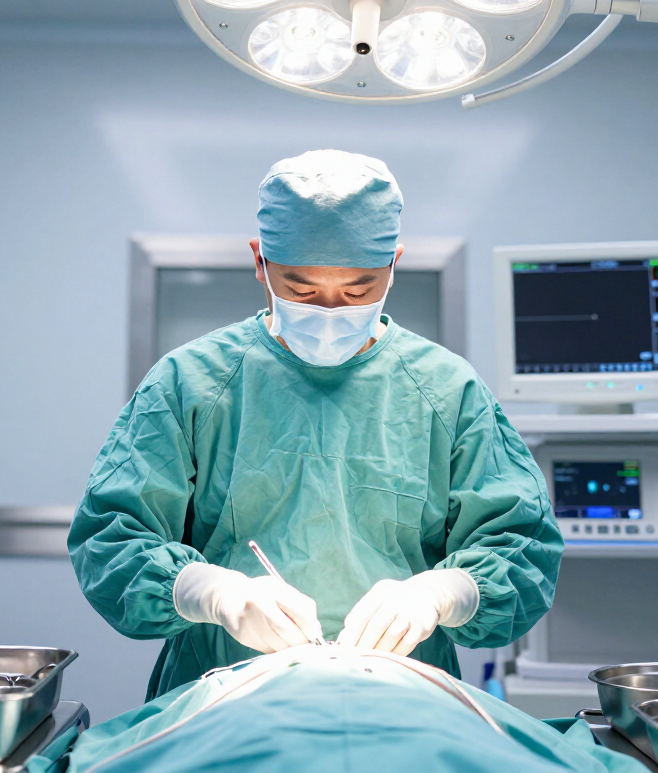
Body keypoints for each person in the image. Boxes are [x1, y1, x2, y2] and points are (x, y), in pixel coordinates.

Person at [69, 150, 563, 700]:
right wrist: (208, 590)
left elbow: (521, 549)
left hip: (402, 700)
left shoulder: (447, 390)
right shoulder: (192, 382)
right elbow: (111, 538)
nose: (329, 312)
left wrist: (444, 593)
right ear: (260, 263)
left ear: (394, 265)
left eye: (358, 290)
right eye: (301, 289)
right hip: (222, 697)